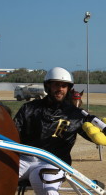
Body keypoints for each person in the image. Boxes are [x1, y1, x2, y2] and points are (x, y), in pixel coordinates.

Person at [14, 67, 93, 195]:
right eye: (56, 85)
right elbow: (12, 132)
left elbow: (97, 137)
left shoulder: (76, 115)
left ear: (68, 89)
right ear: (48, 86)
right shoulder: (28, 108)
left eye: (64, 86)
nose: (60, 89)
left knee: (48, 191)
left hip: (53, 162)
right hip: (23, 159)